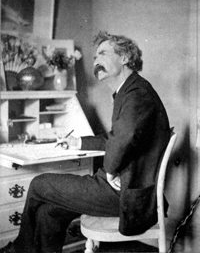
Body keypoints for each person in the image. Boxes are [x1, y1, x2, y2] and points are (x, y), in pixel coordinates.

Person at [0, 31, 170, 253]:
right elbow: (115, 138)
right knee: (48, 212)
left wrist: (110, 170)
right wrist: (77, 142)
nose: (97, 62)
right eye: (95, 58)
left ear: (125, 58)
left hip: (127, 196)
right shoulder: (130, 90)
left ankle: (18, 250)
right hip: (125, 189)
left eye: (103, 54)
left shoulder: (136, 93)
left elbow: (123, 139)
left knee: (39, 183)